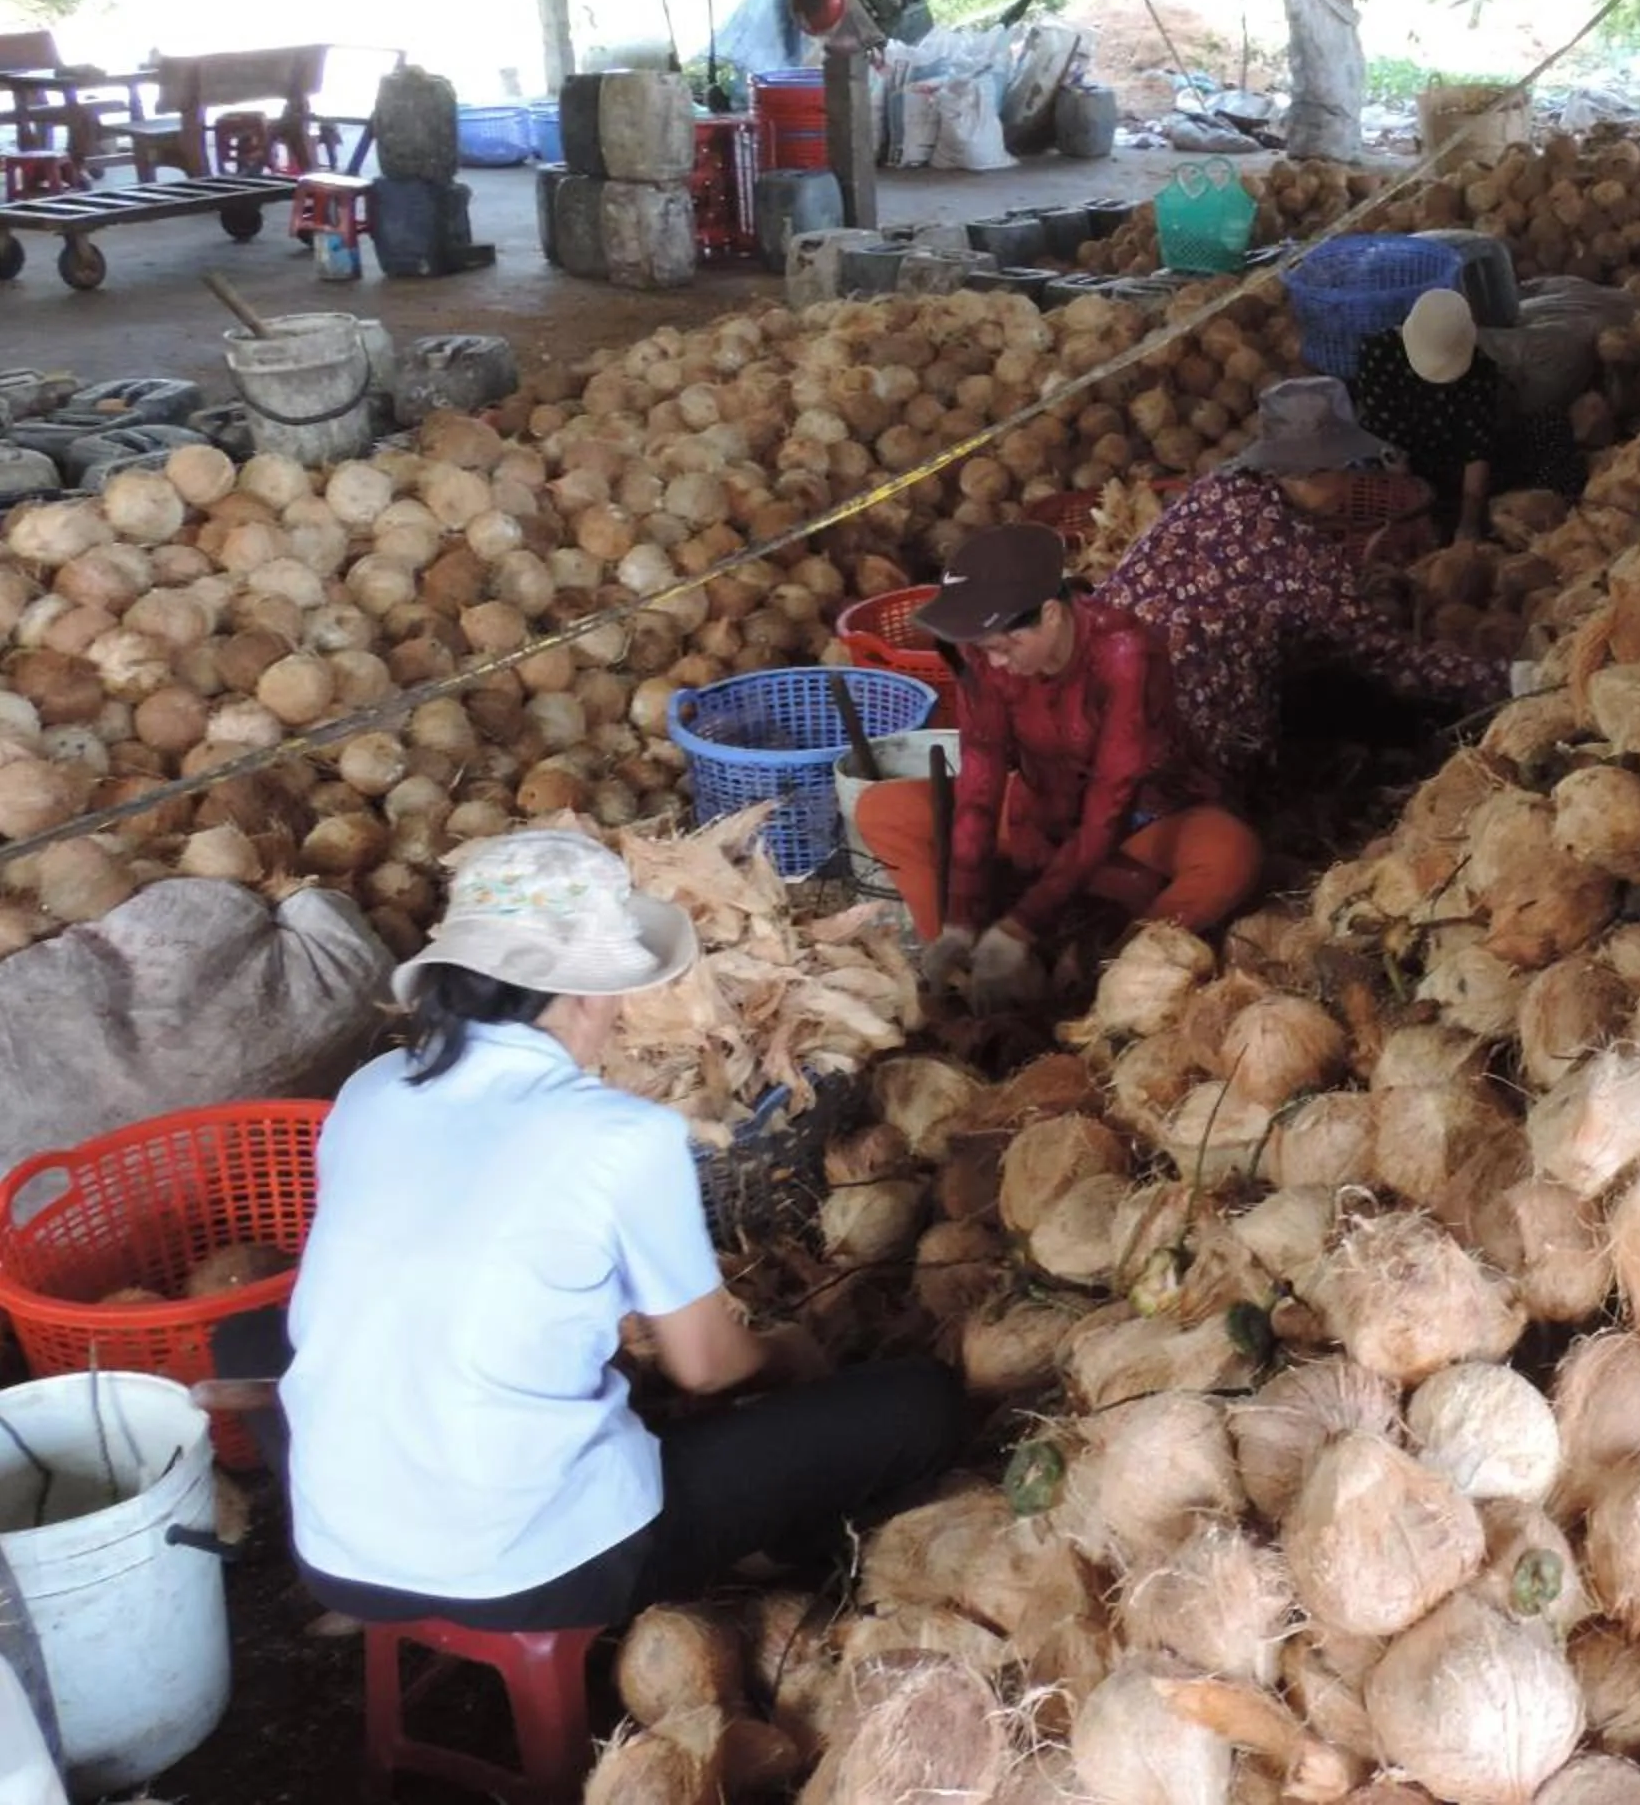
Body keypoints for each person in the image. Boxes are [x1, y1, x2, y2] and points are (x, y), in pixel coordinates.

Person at [266, 830, 962, 1629]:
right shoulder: (622, 1137)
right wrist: (787, 1354)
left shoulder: (371, 1091)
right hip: (541, 1569)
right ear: (590, 993)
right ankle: (780, 1559)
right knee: (920, 1403)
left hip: (338, 1555)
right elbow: (708, 1369)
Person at [854, 522, 1263, 1002]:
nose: (997, 663)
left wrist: (1020, 928)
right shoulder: (984, 650)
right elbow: (981, 778)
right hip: (1040, 804)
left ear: (1050, 614)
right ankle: (954, 976)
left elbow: (1112, 797)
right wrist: (959, 921)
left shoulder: (1124, 651)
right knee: (884, 808)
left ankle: (1116, 971)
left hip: (1144, 813)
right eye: (987, 649)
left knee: (1231, 854)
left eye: (1008, 647)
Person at [1098, 378, 1513, 782]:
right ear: (1315, 471)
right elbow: (1392, 660)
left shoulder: (1214, 489)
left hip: (1097, 692)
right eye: (1345, 468)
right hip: (1178, 741)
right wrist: (1506, 677)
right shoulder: (1300, 558)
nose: (1352, 480)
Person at [1350, 289, 1591, 542]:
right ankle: (1450, 519)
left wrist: (1469, 522)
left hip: (1457, 464)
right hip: (1408, 469)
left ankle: (1531, 519)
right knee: (1365, 485)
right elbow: (1389, 443)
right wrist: (1415, 512)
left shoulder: (1479, 370)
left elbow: (1477, 451)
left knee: (1551, 427)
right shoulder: (1378, 354)